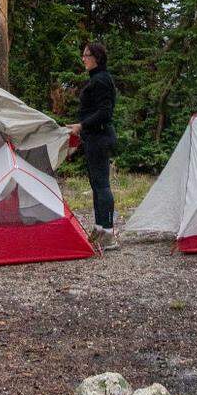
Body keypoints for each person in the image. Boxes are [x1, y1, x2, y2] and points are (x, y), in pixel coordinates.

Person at [78, 40, 118, 248]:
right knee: (95, 184)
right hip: (93, 137)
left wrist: (81, 125)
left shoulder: (101, 80)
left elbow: (105, 113)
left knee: (102, 185)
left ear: (97, 58)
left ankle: (109, 233)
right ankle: (99, 227)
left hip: (100, 137)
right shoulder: (96, 79)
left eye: (87, 55)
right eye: (83, 55)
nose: (83, 59)